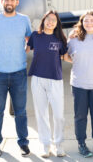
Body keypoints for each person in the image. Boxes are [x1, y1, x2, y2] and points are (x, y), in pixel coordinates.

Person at [0, 0, 32, 157]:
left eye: (12, 0)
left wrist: (24, 53)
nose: (9, 2)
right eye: (6, 0)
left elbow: (30, 39)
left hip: (18, 73)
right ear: (2, 1)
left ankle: (23, 143)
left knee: (21, 111)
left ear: (17, 2)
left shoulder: (24, 20)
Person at [64, 11, 93, 158]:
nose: (89, 23)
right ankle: (81, 144)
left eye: (92, 20)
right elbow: (65, 55)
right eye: (86, 21)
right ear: (81, 23)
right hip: (79, 84)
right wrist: (78, 62)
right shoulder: (74, 39)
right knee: (80, 116)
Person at [26, 10, 67, 158]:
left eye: (53, 20)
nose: (50, 22)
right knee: (41, 113)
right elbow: (24, 50)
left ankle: (59, 145)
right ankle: (45, 145)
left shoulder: (60, 39)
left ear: (57, 24)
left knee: (58, 115)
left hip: (55, 80)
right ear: (43, 21)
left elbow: (66, 56)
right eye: (48, 19)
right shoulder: (35, 36)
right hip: (37, 78)